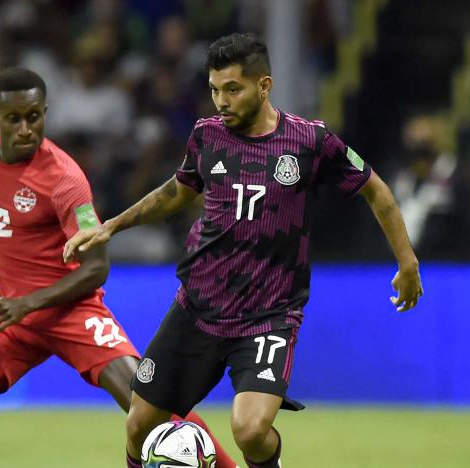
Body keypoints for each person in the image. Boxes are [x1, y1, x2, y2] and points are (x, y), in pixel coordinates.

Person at [63, 33, 424, 468]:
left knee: (251, 431)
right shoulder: (206, 136)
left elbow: (377, 192)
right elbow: (176, 192)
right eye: (215, 89)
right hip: (196, 308)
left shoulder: (310, 141)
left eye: (232, 89)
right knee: (140, 426)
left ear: (264, 85)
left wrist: (407, 262)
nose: (221, 100)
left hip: (267, 316)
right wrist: (113, 226)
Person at [0, 68, 237, 468]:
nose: (26, 128)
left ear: (45, 112)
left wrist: (28, 303)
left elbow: (96, 268)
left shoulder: (65, 180)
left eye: (35, 116)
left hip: (71, 314)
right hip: (17, 320)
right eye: (14, 119)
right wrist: (22, 306)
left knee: (149, 404)